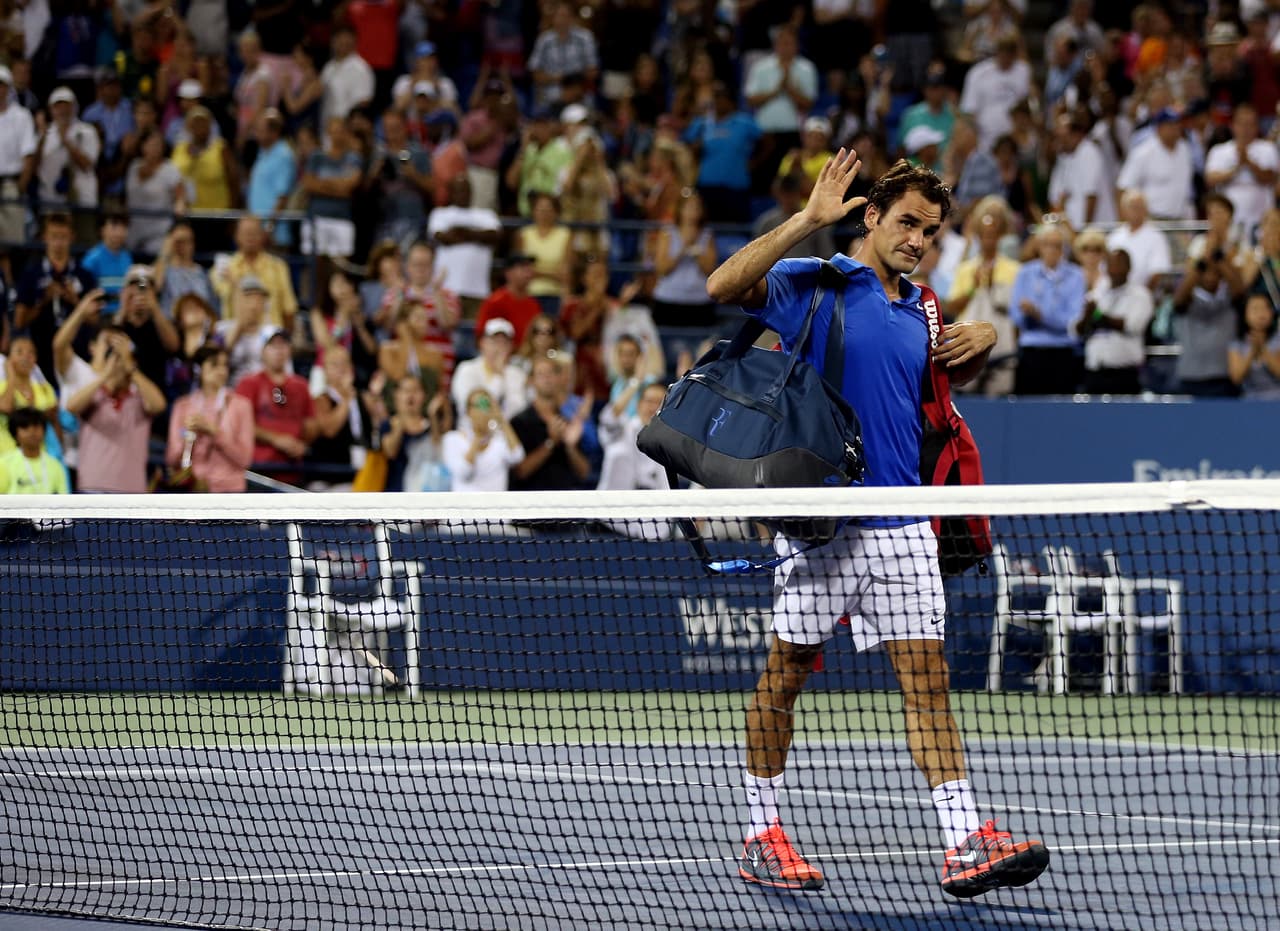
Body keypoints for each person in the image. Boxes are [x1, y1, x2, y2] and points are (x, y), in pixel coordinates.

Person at [704, 151, 1047, 897]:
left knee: (927, 681)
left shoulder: (923, 307)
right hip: (824, 526)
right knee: (785, 675)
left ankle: (964, 840)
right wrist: (805, 220)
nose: (919, 238)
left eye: (930, 229)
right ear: (871, 217)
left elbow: (934, 386)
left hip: (904, 526)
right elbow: (722, 286)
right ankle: (762, 831)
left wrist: (982, 339)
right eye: (907, 222)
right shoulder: (816, 281)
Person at [62, 325, 168, 493]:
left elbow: (159, 404)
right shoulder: (95, 394)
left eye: (123, 360)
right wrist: (104, 375)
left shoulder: (140, 398)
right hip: (92, 490)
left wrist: (131, 368)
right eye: (114, 359)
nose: (118, 365)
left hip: (132, 494)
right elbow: (72, 406)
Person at [13, 212, 97, 384]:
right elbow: (19, 321)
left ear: (72, 237)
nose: (58, 243)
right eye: (54, 237)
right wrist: (43, 300)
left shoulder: (84, 275)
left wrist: (75, 300)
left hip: (77, 356)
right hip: (42, 355)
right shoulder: (32, 274)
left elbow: (94, 320)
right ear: (45, 237)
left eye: (63, 237)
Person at [947, 205, 1021, 395]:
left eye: (993, 234)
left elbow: (1016, 311)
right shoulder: (965, 269)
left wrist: (993, 286)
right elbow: (952, 307)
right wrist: (974, 286)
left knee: (1001, 396)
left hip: (1002, 343)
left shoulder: (1013, 269)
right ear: (978, 237)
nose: (989, 239)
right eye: (985, 235)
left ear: (1000, 237)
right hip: (968, 346)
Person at [165, 343, 255, 492]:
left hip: (229, 492)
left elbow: (245, 459)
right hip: (192, 489)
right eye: (214, 365)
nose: (221, 371)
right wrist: (186, 438)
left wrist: (214, 432)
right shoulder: (183, 405)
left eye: (224, 365)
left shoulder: (241, 405)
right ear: (198, 369)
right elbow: (171, 458)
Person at [1009, 223, 1086, 395]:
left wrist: (1040, 315)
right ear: (1039, 247)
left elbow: (1072, 321)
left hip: (1063, 353)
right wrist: (1030, 316)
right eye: (1047, 244)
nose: (1052, 250)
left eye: (1057, 245)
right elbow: (1015, 315)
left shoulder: (1076, 275)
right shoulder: (1025, 273)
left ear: (1064, 248)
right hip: (1031, 352)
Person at [235, 328, 318, 485]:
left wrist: (302, 444)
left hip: (294, 469)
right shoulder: (248, 383)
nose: (279, 351)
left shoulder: (301, 385)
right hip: (258, 470)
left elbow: (311, 423)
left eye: (283, 345)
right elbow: (240, 424)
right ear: (262, 350)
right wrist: (276, 439)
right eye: (273, 345)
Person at [1073, 249, 1154, 394]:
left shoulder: (1140, 295)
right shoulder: (1098, 293)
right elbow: (1075, 330)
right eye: (1110, 265)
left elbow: (1132, 325)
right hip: (1095, 372)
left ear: (1129, 267)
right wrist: (1087, 317)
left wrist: (1098, 316)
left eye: (1118, 265)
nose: (1114, 269)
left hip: (1124, 374)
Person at [509, 351, 592, 491]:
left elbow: (584, 472)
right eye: (541, 374)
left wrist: (570, 446)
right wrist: (551, 443)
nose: (547, 378)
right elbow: (519, 472)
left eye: (551, 373)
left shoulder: (569, 420)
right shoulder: (519, 422)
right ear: (531, 380)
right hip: (531, 503)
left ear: (560, 379)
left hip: (565, 503)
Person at [427, 175, 504, 319]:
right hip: (447, 289)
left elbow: (495, 236)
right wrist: (476, 235)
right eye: (458, 190)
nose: (463, 194)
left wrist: (462, 232)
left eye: (466, 190)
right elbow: (443, 238)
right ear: (451, 193)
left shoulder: (486, 215)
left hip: (478, 290)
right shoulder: (440, 214)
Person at [1172, 248, 1241, 397]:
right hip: (1191, 377)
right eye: (1206, 272)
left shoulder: (1229, 302)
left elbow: (1239, 290)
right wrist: (1200, 265)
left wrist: (1220, 261)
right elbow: (1179, 299)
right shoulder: (1188, 302)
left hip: (1223, 378)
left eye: (1215, 273)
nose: (1210, 277)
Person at [651, 190, 718, 328]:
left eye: (697, 206)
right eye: (689, 206)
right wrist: (682, 249)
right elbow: (661, 268)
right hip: (669, 300)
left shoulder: (707, 234)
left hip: (699, 301)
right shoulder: (667, 233)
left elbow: (711, 271)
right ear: (680, 209)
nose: (693, 211)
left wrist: (696, 252)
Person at [442, 387, 524, 492]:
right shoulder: (452, 439)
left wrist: (501, 419)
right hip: (465, 505)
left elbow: (517, 456)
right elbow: (463, 472)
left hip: (495, 505)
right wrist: (478, 437)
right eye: (477, 406)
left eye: (486, 405)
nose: (482, 411)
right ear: (468, 411)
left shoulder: (499, 440)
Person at [125, 128, 189, 256]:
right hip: (134, 229)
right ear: (143, 146)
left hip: (159, 231)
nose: (155, 148)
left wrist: (180, 204)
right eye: (151, 144)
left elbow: (181, 194)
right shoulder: (134, 166)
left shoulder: (170, 169)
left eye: (158, 145)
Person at [382, 374, 451, 492]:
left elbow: (439, 449)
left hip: (427, 492)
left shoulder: (430, 425)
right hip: (397, 493)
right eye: (406, 390)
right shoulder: (388, 425)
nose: (411, 395)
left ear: (424, 395)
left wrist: (434, 416)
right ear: (396, 395)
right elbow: (390, 452)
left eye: (416, 390)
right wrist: (401, 420)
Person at [450, 317, 527, 419]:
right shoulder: (467, 369)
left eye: (504, 342)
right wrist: (498, 376)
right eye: (494, 341)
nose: (499, 347)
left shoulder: (517, 374)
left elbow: (518, 409)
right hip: (470, 432)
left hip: (503, 432)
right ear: (482, 343)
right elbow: (478, 407)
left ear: (511, 347)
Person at [517, 192, 572, 317]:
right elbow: (523, 271)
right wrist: (552, 274)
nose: (544, 214)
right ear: (533, 211)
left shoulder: (565, 235)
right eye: (540, 209)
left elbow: (565, 275)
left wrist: (537, 272)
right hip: (529, 294)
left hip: (556, 295)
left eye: (548, 210)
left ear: (556, 212)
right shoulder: (524, 234)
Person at [475, 254, 542, 345]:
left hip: (527, 355)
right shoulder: (496, 301)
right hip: (502, 354)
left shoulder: (533, 303)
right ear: (508, 273)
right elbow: (482, 334)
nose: (528, 273)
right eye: (523, 268)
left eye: (530, 269)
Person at [0, 407, 69, 494]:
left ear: (44, 431)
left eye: (36, 426)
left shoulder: (55, 465)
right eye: (25, 427)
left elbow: (64, 500)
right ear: (14, 433)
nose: (32, 431)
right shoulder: (3, 464)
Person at [1228, 294, 1280, 398]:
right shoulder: (1237, 343)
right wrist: (1252, 351)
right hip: (1250, 400)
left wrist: (1263, 349)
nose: (1261, 314)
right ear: (1245, 314)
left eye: (1265, 308)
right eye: (1255, 309)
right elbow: (1236, 378)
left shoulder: (1278, 339)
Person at [81, 213, 134, 315]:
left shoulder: (127, 258)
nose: (119, 232)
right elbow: (86, 296)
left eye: (123, 227)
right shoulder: (91, 260)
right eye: (114, 226)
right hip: (100, 317)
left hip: (124, 316)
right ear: (102, 230)